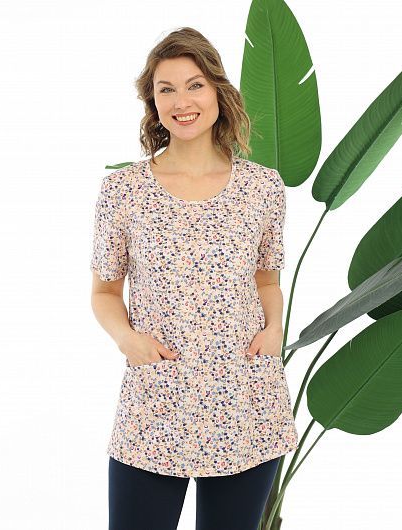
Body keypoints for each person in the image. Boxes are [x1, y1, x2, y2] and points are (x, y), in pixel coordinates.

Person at [90, 26, 298, 530]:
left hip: (244, 400)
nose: (182, 101)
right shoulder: (123, 191)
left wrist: (273, 329)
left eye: (195, 85)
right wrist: (128, 340)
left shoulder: (262, 187)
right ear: (153, 103)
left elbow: (267, 280)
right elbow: (104, 291)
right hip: (156, 400)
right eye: (167, 89)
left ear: (218, 92)